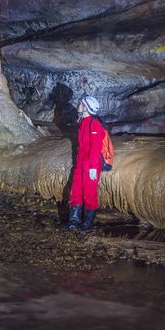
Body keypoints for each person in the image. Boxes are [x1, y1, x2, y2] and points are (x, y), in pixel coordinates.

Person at [68, 96, 106, 230]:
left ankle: (87, 223)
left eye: (81, 104)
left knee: (89, 193)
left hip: (91, 164)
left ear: (86, 107)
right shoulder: (83, 122)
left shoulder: (94, 124)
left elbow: (96, 148)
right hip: (80, 163)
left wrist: (92, 168)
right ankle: (74, 220)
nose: (78, 105)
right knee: (76, 191)